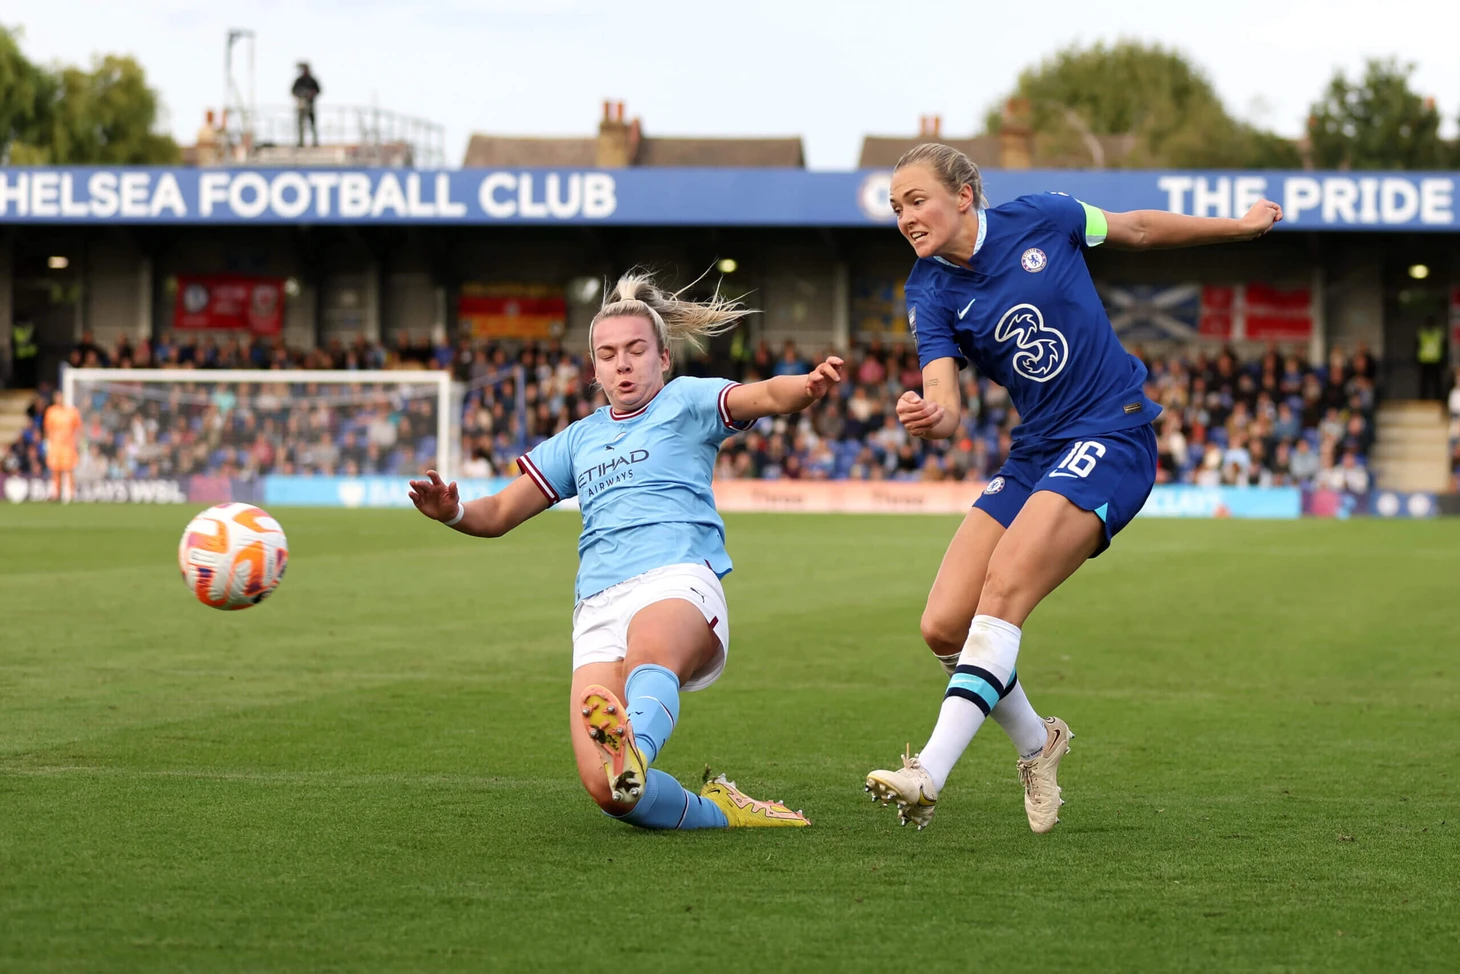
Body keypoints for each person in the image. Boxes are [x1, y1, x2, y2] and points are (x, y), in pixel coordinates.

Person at [864, 143, 1282, 831]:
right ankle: (1038, 743)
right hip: (1037, 451)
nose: (905, 217)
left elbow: (1138, 228)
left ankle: (927, 772)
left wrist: (1235, 229)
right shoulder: (929, 290)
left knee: (1002, 591)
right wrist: (931, 416)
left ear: (964, 194)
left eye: (916, 200)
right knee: (942, 624)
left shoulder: (1045, 217)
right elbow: (947, 406)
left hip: (1112, 432)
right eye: (895, 208)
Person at [408, 271, 845, 831]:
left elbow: (758, 394)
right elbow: (496, 513)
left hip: (677, 577)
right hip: (597, 605)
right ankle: (723, 812)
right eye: (609, 354)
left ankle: (632, 742)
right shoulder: (577, 440)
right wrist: (455, 513)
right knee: (611, 792)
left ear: (664, 358)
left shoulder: (686, 402)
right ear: (594, 370)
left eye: (636, 350)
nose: (623, 363)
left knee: (651, 653)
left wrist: (805, 387)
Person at [43, 393, 82, 503]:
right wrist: (47, 442)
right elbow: (47, 428)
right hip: (55, 446)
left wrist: (78, 443)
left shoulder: (72, 412)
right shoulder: (51, 412)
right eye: (57, 397)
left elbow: (78, 428)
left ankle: (72, 495)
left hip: (68, 446)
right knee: (55, 470)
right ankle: (56, 494)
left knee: (69, 470)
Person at [1416, 316, 1446, 402]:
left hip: (1436, 361)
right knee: (1424, 383)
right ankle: (1423, 400)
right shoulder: (1422, 332)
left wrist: (1443, 359)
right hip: (1424, 361)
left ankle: (1439, 399)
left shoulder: (1438, 332)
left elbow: (1444, 346)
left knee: (1437, 383)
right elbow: (1417, 346)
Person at [292, 63, 321, 148]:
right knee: (301, 124)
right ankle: (301, 142)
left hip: (310, 105)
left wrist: (311, 94)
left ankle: (315, 142)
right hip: (301, 105)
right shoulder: (299, 80)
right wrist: (301, 95)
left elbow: (318, 90)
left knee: (312, 124)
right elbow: (293, 91)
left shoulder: (312, 80)